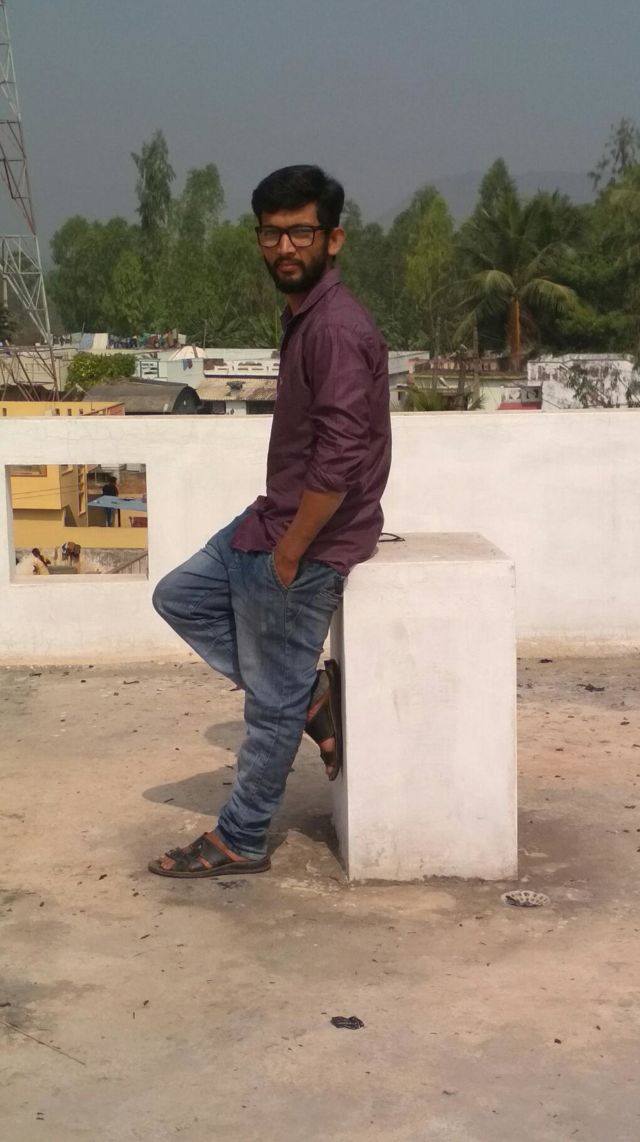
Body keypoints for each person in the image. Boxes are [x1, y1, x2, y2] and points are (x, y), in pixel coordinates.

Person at [148, 165, 392, 879]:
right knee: (179, 595)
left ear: (333, 239)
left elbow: (340, 458)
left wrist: (290, 554)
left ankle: (242, 836)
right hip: (273, 517)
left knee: (268, 710)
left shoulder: (336, 329)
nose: (285, 247)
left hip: (309, 540)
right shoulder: (305, 316)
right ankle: (306, 694)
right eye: (272, 233)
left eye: (301, 233)